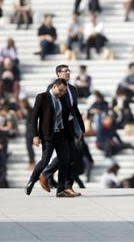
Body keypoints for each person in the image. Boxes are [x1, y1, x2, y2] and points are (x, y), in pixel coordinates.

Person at [41, 65, 86, 197]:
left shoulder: (72, 88)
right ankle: (49, 175)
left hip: (71, 125)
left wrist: (80, 128)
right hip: (59, 127)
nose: (67, 73)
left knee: (71, 156)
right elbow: (50, 109)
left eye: (68, 71)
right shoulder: (53, 88)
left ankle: (66, 185)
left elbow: (75, 109)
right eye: (64, 71)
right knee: (65, 156)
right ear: (58, 74)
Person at [25, 78, 72, 197]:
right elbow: (34, 117)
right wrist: (35, 135)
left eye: (64, 91)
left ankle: (60, 190)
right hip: (48, 135)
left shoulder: (63, 99)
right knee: (45, 160)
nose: (62, 93)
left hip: (61, 134)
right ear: (55, 86)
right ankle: (32, 180)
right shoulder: (42, 97)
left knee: (64, 160)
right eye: (60, 90)